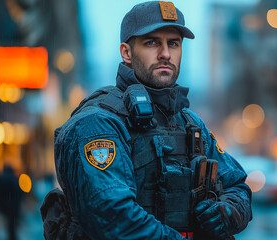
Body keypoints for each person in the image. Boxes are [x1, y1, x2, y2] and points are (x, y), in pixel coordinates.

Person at [41, 1, 252, 239]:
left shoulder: (191, 125)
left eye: (173, 43)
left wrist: (228, 212)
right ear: (126, 53)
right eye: (152, 42)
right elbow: (116, 219)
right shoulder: (97, 124)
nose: (165, 53)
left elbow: (238, 186)